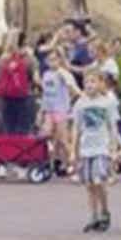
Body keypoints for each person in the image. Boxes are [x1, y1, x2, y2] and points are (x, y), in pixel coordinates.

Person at [74, 65, 121, 231]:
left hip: (101, 147)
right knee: (89, 185)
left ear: (101, 83)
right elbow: (77, 129)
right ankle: (93, 215)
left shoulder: (107, 103)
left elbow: (112, 126)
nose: (89, 85)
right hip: (86, 148)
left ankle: (105, 211)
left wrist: (113, 148)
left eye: (93, 81)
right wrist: (74, 151)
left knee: (99, 181)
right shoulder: (80, 104)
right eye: (86, 82)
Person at [37, 46, 76, 174]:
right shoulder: (46, 75)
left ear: (59, 60)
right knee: (45, 133)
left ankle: (72, 163)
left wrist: (69, 101)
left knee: (63, 139)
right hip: (49, 109)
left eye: (55, 59)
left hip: (61, 109)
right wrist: (41, 112)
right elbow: (45, 94)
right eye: (50, 60)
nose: (52, 62)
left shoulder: (63, 73)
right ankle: (51, 163)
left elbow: (72, 87)